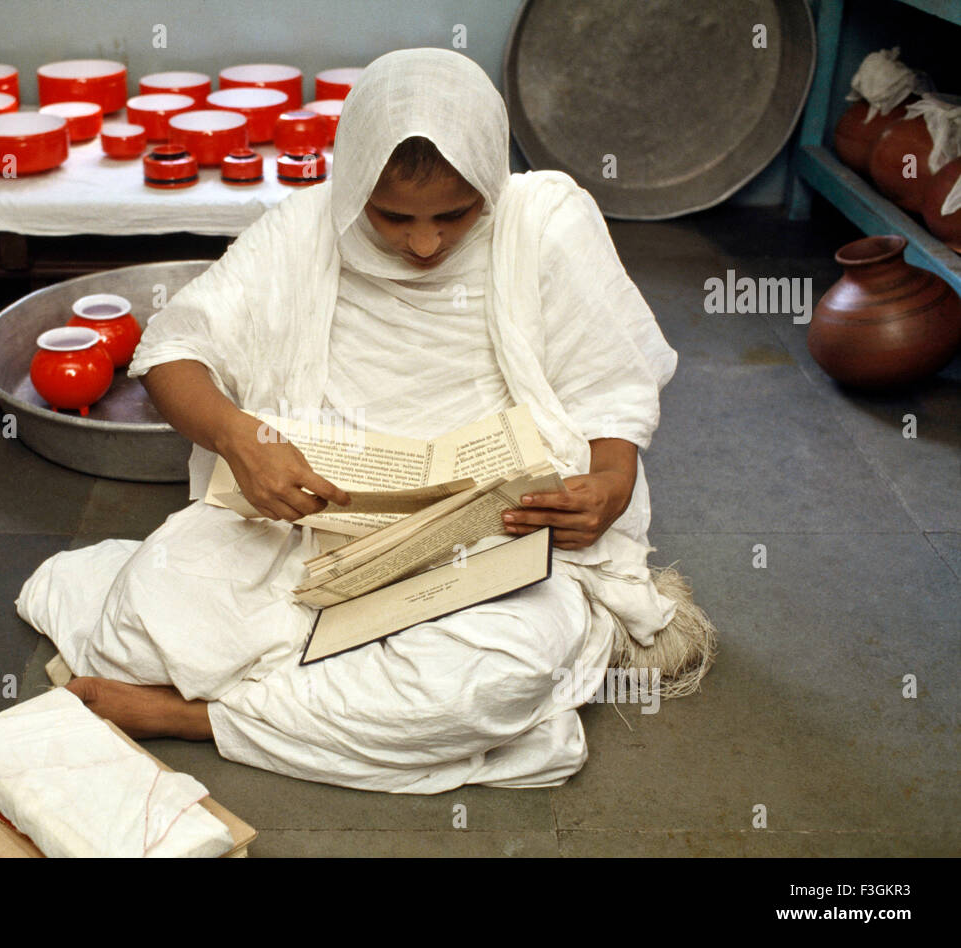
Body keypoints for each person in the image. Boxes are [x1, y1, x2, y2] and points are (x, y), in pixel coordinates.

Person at [44, 48, 706, 793]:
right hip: (312, 519)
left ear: (491, 179)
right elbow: (173, 351)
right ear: (356, 184)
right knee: (136, 629)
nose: (424, 245)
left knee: (490, 681)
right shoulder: (307, 227)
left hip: (495, 533)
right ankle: (323, 710)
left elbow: (610, 385)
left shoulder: (544, 223)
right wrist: (246, 441)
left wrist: (609, 485)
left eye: (455, 215)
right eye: (393, 217)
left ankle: (200, 717)